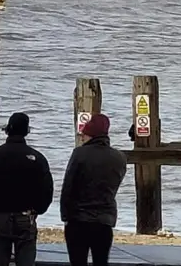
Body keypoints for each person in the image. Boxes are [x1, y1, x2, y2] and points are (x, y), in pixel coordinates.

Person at [0, 112, 54, 266]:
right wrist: (37, 210)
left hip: (0, 216)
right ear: (26, 131)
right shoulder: (37, 158)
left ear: (7, 130)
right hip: (26, 217)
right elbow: (47, 191)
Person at [60, 114, 127, 266]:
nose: (82, 137)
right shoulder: (119, 157)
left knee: (78, 261)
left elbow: (68, 187)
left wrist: (65, 216)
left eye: (84, 134)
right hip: (105, 219)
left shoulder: (79, 154)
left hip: (78, 219)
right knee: (101, 261)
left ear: (90, 134)